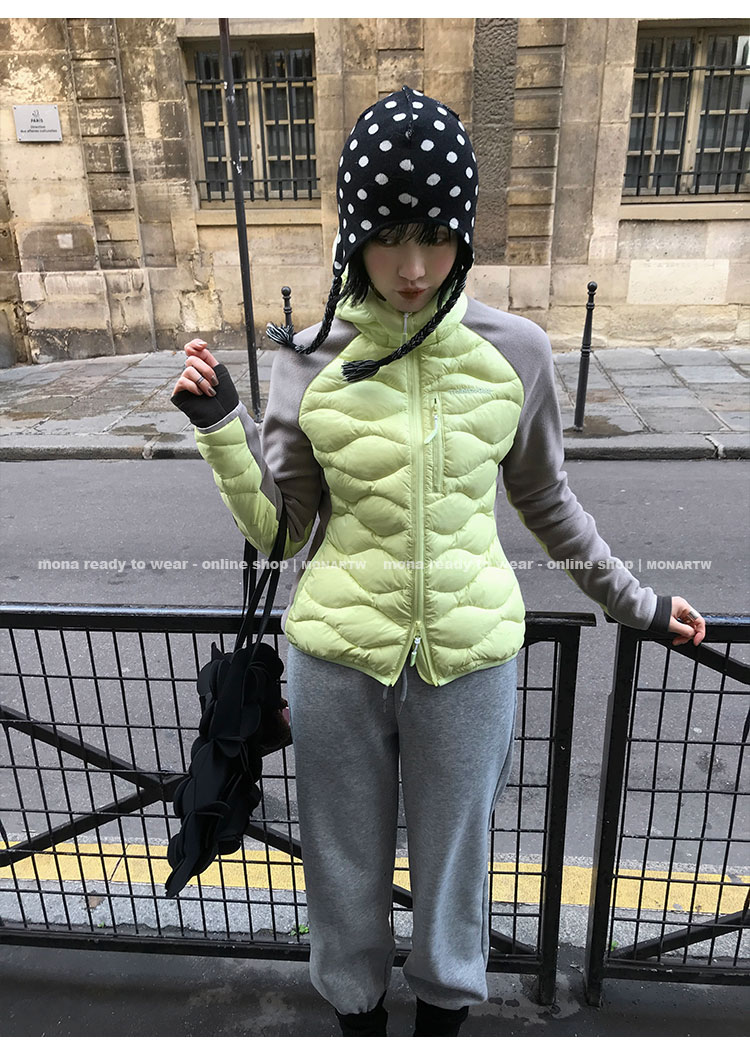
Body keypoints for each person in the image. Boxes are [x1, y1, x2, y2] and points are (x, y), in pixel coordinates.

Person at [171, 85, 705, 1037]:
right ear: (353, 237)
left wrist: (640, 604)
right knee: (343, 877)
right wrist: (221, 429)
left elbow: (548, 502)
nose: (412, 268)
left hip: (470, 665)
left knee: (456, 879)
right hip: (336, 665)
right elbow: (283, 534)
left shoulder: (518, 353)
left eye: (435, 236)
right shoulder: (309, 359)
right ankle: (358, 1024)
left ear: (464, 232)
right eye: (387, 237)